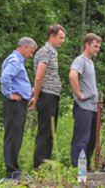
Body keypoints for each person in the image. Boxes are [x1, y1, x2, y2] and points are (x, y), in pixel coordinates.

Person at [0, 37, 37, 180]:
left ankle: (14, 169)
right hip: (14, 105)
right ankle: (12, 171)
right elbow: (5, 77)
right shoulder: (15, 61)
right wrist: (10, 94)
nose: (31, 55)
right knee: (13, 137)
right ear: (25, 47)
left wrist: (28, 92)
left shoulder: (17, 60)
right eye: (31, 52)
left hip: (19, 104)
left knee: (16, 137)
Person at [29, 24, 66, 169]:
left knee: (51, 132)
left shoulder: (53, 52)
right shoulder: (45, 52)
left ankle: (46, 164)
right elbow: (39, 76)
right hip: (46, 96)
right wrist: (36, 97)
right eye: (60, 38)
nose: (62, 41)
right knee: (45, 132)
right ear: (51, 36)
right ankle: (38, 165)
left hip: (53, 95)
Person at [69, 33, 101, 167]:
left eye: (99, 47)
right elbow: (72, 75)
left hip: (92, 108)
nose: (97, 49)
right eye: (95, 46)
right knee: (81, 139)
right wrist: (79, 94)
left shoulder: (90, 62)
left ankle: (85, 168)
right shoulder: (80, 60)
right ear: (87, 45)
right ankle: (77, 170)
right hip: (83, 107)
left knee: (91, 140)